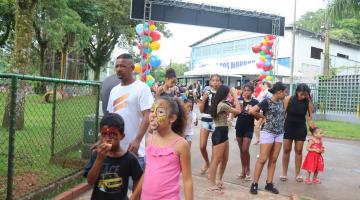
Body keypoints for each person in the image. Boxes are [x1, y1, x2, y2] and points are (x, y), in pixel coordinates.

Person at [131, 97, 194, 200]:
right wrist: (134, 196)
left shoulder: (181, 144)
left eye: (160, 112)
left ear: (172, 118)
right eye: (152, 111)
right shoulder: (149, 140)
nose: (153, 115)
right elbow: (147, 172)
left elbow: (187, 180)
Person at [107, 53, 153, 169]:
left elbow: (147, 115)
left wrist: (137, 140)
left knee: (135, 187)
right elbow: (110, 118)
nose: (118, 69)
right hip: (115, 150)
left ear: (132, 68)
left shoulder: (142, 88)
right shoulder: (114, 91)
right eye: (117, 66)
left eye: (122, 66)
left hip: (135, 151)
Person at [84, 113, 143, 200]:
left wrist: (134, 197)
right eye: (104, 134)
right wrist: (99, 159)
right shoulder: (97, 155)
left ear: (122, 136)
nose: (108, 138)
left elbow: (138, 179)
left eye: (113, 134)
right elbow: (90, 182)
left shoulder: (129, 158)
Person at [249, 82, 287, 195]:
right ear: (279, 92)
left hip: (279, 133)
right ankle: (254, 183)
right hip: (268, 132)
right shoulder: (267, 101)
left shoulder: (282, 102)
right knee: (263, 159)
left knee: (273, 159)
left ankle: (269, 184)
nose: (285, 94)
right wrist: (263, 117)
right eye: (284, 92)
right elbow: (252, 111)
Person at [208, 85, 242, 193]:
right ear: (224, 93)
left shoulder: (222, 103)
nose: (229, 94)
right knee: (216, 160)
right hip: (219, 133)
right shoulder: (222, 105)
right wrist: (235, 96)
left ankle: (219, 179)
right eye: (228, 93)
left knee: (225, 159)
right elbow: (238, 111)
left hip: (223, 132)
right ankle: (212, 183)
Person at [281, 83, 315, 182]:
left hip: (300, 128)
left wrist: (314, 131)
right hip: (288, 127)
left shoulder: (307, 101)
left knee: (299, 151)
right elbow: (283, 114)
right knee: (286, 150)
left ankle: (298, 174)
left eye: (305, 94)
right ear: (297, 92)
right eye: (302, 94)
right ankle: (284, 173)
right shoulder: (289, 99)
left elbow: (309, 117)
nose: (303, 96)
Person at [235, 84, 259, 181]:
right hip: (239, 127)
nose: (246, 92)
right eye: (244, 90)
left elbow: (257, 117)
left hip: (249, 128)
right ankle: (243, 170)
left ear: (252, 92)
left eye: (248, 90)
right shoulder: (239, 100)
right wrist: (236, 111)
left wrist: (252, 111)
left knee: (245, 149)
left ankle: (248, 169)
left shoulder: (255, 102)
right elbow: (235, 114)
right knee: (241, 150)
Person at [198, 74, 221, 174]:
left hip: (216, 121)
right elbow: (201, 109)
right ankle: (207, 162)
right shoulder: (206, 92)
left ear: (220, 82)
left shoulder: (222, 94)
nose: (215, 82)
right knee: (202, 146)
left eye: (217, 80)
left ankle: (212, 168)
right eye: (213, 80)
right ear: (210, 82)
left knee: (214, 147)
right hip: (205, 120)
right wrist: (204, 99)